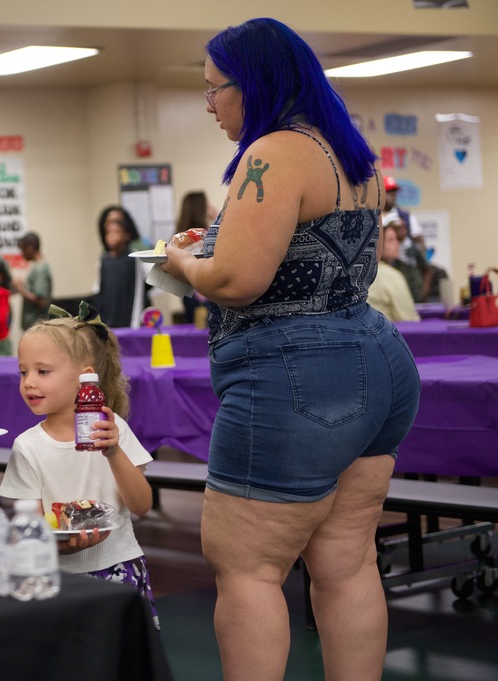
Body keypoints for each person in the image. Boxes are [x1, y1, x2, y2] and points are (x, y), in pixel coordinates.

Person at [161, 19, 420, 681]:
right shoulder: (348, 149)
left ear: (252, 85)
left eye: (214, 89)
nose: (210, 104)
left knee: (248, 568)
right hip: (374, 359)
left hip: (298, 373)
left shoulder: (272, 152)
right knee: (348, 560)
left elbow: (238, 280)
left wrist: (185, 263)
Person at [0, 303, 156, 621]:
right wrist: (58, 547)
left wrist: (113, 452)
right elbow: (31, 527)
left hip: (119, 568)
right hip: (57, 577)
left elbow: (141, 506)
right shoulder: (27, 446)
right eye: (23, 372)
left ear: (85, 377)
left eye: (43, 371)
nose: (29, 382)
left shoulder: (113, 431)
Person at [93, 206, 149, 328]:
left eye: (117, 232)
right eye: (108, 232)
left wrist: (135, 322)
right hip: (109, 320)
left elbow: (138, 292)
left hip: (129, 320)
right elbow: (99, 290)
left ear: (127, 235)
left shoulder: (134, 258)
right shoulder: (103, 259)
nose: (111, 236)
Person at [174, 192, 213, 324]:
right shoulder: (205, 238)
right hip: (204, 293)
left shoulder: (177, 240)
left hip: (188, 292)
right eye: (206, 205)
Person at [368, 223, 421, 322]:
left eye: (397, 239)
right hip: (389, 333)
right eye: (390, 240)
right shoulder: (392, 276)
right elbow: (408, 319)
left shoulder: (362, 273)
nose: (397, 243)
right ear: (378, 244)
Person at [12, 231, 52, 331]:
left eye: (23, 250)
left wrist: (21, 289)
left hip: (37, 326)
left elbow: (41, 301)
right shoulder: (36, 267)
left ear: (30, 249)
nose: (22, 254)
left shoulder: (40, 268)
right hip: (34, 326)